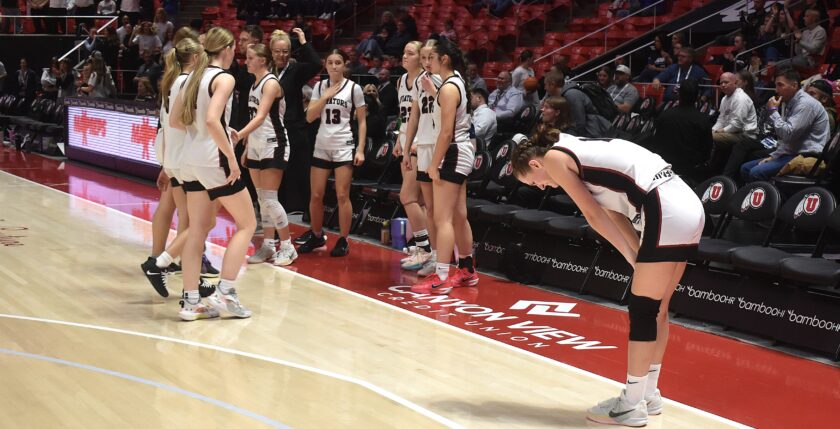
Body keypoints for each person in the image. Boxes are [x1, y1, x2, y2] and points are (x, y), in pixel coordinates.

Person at [511, 125, 704, 427]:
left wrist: (633, 257)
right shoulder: (579, 151)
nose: (541, 187)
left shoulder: (553, 158)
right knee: (657, 308)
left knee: (643, 309)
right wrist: (636, 254)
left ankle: (630, 405)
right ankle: (649, 394)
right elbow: (614, 212)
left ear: (535, 164)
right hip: (685, 201)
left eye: (533, 181)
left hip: (663, 206)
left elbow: (593, 216)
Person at [170, 26, 255, 321]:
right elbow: (210, 119)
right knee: (247, 224)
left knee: (197, 229)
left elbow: (176, 121)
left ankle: (191, 302)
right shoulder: (224, 77)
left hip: (190, 158)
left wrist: (214, 130)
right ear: (228, 49)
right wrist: (230, 156)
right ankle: (226, 292)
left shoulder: (192, 76)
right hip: (213, 158)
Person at [140, 36, 217, 300]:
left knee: (189, 221)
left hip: (173, 158)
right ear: (195, 57)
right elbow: (178, 123)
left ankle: (188, 279)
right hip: (183, 160)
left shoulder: (173, 81)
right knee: (195, 223)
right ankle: (164, 267)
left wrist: (166, 163)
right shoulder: (186, 83)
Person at [411, 39, 477, 295]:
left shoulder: (449, 88)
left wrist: (434, 164)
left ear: (444, 59)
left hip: (453, 153)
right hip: (461, 151)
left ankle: (440, 277)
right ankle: (467, 269)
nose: (428, 62)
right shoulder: (455, 82)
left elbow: (446, 132)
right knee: (458, 215)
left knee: (443, 218)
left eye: (432, 58)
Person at [233, 43, 298, 267]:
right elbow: (255, 118)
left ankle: (288, 247)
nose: (246, 61)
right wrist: (248, 145)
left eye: (250, 58)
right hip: (256, 144)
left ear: (262, 60)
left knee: (270, 198)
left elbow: (261, 117)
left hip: (274, 143)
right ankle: (269, 245)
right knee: (262, 199)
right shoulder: (254, 84)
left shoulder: (270, 83)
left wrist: (239, 135)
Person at [299, 49, 367, 257]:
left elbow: (362, 121)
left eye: (338, 62)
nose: (334, 66)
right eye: (330, 62)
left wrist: (360, 149)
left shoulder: (354, 88)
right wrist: (325, 97)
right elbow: (309, 117)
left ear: (345, 65)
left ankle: (343, 239)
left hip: (343, 146)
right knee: (316, 195)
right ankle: (317, 235)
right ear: (326, 65)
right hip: (322, 145)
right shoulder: (320, 86)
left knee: (342, 195)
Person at [741, 68, 829, 182]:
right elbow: (788, 141)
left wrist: (773, 111)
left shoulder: (805, 104)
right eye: (776, 85)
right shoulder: (793, 102)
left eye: (780, 85)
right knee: (746, 168)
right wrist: (774, 156)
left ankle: (770, 193)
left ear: (794, 85)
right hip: (794, 152)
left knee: (756, 172)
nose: (776, 90)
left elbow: (788, 134)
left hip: (807, 156)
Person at [391, 41, 435, 271]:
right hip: (406, 144)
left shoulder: (425, 80)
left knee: (407, 197)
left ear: (421, 57)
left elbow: (429, 115)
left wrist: (415, 143)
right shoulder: (400, 80)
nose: (405, 56)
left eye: (410, 53)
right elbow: (403, 115)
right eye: (404, 52)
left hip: (420, 145)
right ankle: (427, 249)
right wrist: (399, 139)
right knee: (419, 201)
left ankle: (425, 248)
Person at [270, 28, 323, 216]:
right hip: (273, 130)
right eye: (277, 51)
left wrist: (303, 41)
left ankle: (306, 212)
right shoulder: (267, 72)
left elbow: (316, 64)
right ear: (271, 52)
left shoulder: (295, 70)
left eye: (285, 51)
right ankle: (278, 212)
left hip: (294, 130)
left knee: (300, 172)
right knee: (277, 174)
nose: (281, 55)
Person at [403, 39, 442, 276]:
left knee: (446, 211)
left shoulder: (448, 79)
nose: (427, 62)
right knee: (430, 208)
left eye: (430, 57)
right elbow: (414, 117)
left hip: (441, 146)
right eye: (424, 58)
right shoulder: (418, 80)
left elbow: (452, 112)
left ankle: (455, 261)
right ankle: (434, 257)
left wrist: (434, 91)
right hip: (423, 145)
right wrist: (406, 148)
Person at [230, 25, 263, 232]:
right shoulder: (244, 68)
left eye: (244, 40)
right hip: (242, 123)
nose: (240, 43)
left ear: (256, 41)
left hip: (258, 127)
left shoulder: (259, 71)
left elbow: (242, 83)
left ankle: (259, 214)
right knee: (244, 170)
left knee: (254, 173)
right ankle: (250, 212)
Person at [651, 80, 713, 176]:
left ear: (679, 95)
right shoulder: (703, 120)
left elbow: (656, 141)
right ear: (697, 96)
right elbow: (707, 151)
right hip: (690, 169)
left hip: (664, 166)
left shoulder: (665, 115)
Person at [711, 72, 758, 172]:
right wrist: (713, 130)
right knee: (707, 134)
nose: (723, 85)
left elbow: (737, 125)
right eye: (721, 83)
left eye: (726, 82)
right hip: (732, 133)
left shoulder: (741, 98)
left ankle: (708, 165)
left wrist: (720, 131)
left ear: (735, 83)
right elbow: (721, 120)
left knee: (710, 138)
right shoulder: (724, 98)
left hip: (744, 135)